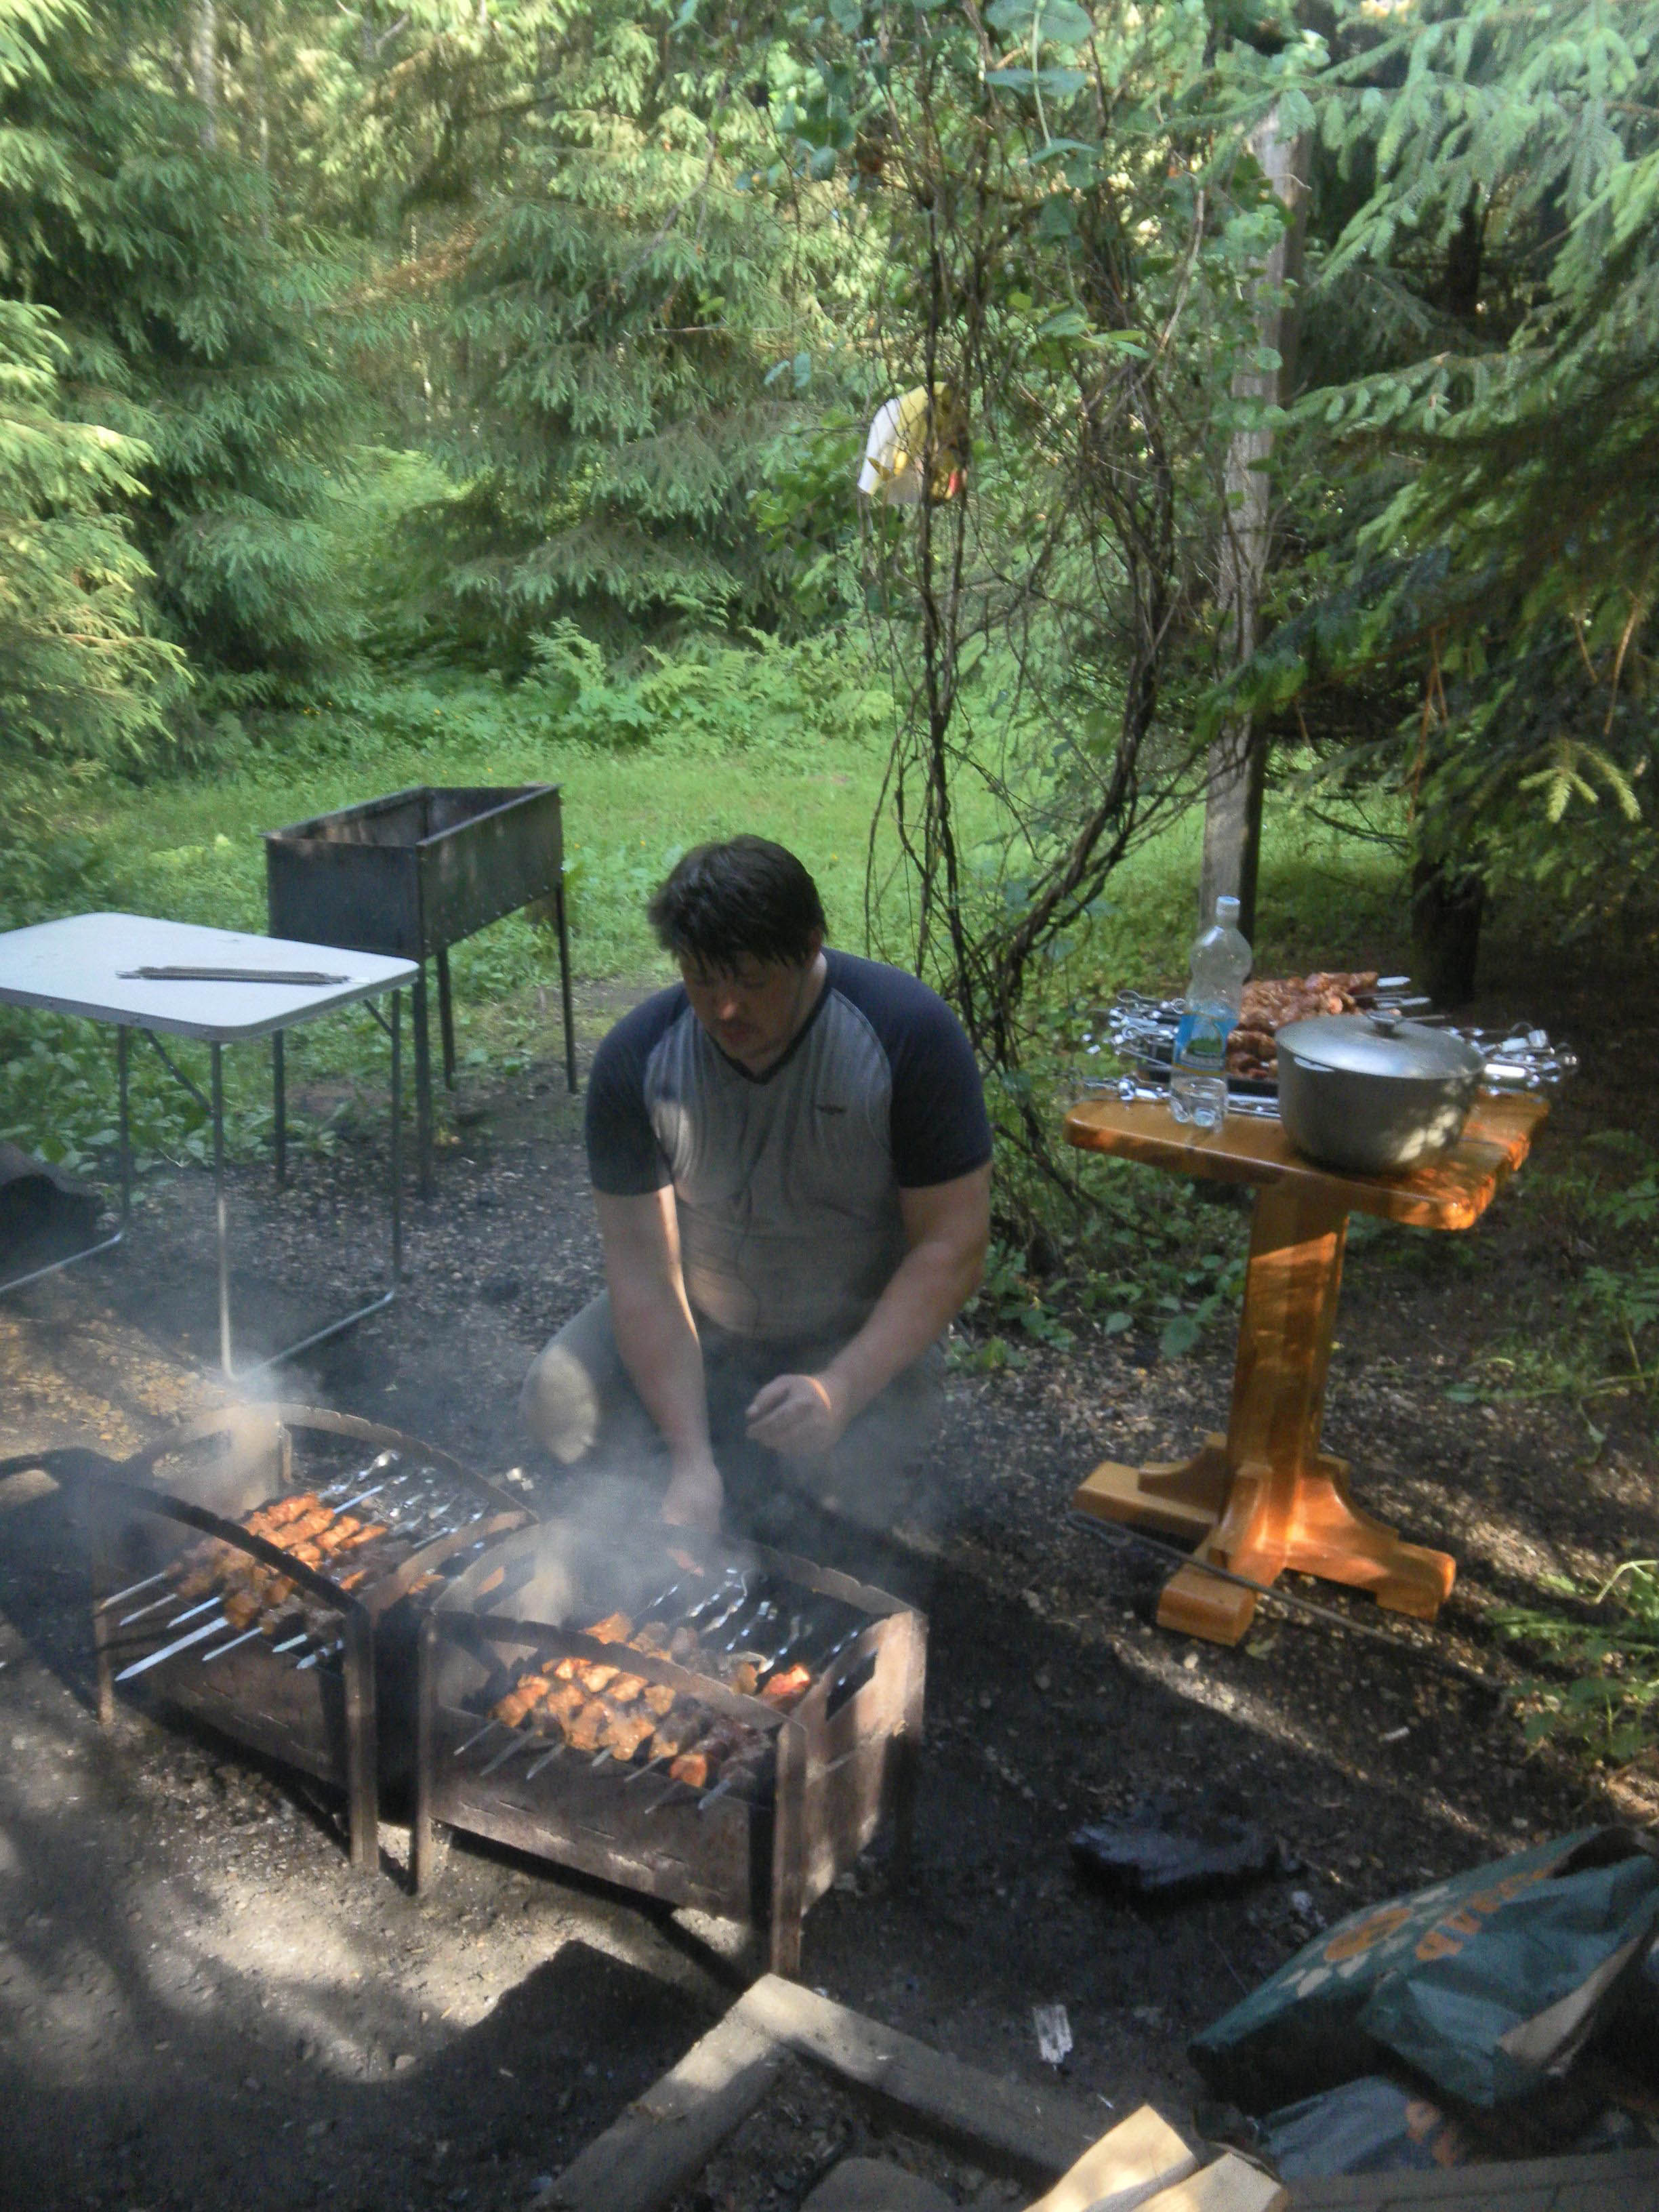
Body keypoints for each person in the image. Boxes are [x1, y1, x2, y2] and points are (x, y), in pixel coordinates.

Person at [520, 836, 992, 1536]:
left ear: (809, 949)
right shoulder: (637, 1059)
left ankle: (812, 1457)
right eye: (702, 981)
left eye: (750, 981)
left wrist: (840, 1390)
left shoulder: (907, 1036)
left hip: (851, 1328)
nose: (726, 1010)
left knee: (838, 1516)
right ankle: (681, 1466)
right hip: (705, 1318)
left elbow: (953, 1247)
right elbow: (644, 1275)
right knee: (556, 1399)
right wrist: (689, 1458)